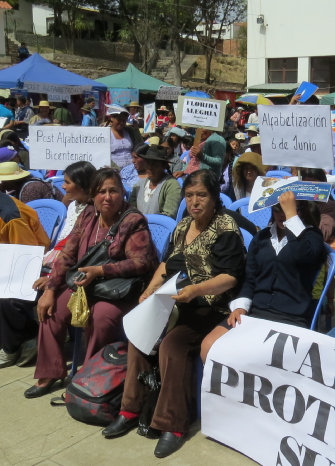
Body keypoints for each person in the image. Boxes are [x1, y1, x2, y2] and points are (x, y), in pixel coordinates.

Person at [102, 169, 245, 458]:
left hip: (210, 307)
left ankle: (174, 423)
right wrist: (149, 292)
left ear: (215, 197)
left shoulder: (226, 228)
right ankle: (131, 409)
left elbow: (230, 277)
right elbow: (166, 265)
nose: (194, 202)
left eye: (201, 195)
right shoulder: (182, 226)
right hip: (175, 302)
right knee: (140, 335)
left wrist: (195, 290)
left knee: (173, 345)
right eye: (189, 196)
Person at [24, 168, 158, 398]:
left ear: (122, 192)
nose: (107, 197)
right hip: (88, 284)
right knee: (51, 308)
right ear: (93, 196)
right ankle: (50, 372)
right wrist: (50, 288)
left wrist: (100, 270)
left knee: (100, 318)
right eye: (101, 191)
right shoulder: (87, 215)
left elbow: (141, 262)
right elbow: (67, 255)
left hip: (119, 289)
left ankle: (87, 379)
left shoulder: (133, 220)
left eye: (113, 191)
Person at [201, 191, 326, 362]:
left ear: (300, 210)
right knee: (209, 345)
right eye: (277, 209)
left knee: (257, 356)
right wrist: (241, 307)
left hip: (290, 317)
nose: (281, 215)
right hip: (256, 312)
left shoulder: (311, 237)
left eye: (286, 209)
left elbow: (304, 254)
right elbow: (250, 279)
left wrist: (292, 218)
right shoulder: (262, 238)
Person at [0, 192, 50, 368]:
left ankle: (18, 343)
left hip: (28, 268)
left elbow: (25, 260)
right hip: (6, 264)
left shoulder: (10, 217)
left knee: (6, 299)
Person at [34, 161, 97, 291]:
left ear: (81, 185)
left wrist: (52, 277)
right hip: (58, 257)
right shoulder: (73, 205)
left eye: (67, 182)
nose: (63, 186)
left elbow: (79, 253)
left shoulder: (94, 212)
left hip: (72, 266)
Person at [129, 144, 181, 219]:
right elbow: (131, 210)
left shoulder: (172, 185)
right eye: (148, 163)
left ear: (163, 166)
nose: (150, 167)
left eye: (154, 164)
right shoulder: (139, 185)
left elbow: (169, 215)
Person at [106, 104, 143, 169]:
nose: (122, 123)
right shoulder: (106, 133)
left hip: (132, 169)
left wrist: (136, 129)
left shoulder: (130, 131)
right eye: (119, 120)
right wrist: (116, 169)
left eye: (124, 120)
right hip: (114, 170)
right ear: (112, 118)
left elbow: (140, 145)